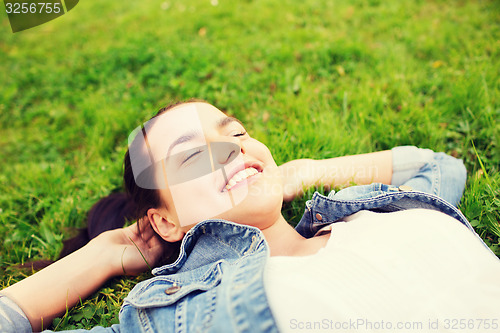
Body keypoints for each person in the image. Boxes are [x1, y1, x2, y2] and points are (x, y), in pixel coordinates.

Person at [1, 101, 499, 333]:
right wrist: (108, 253)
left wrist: (297, 173)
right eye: (192, 156)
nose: (230, 150)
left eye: (235, 134)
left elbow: (438, 168)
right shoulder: (180, 316)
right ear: (165, 222)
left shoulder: (364, 210)